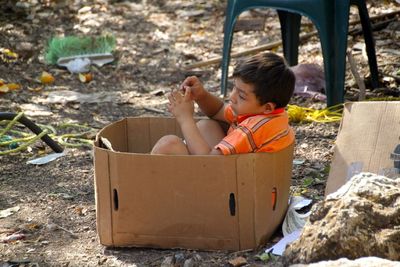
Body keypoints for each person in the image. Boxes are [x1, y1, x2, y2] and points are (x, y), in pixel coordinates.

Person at [151, 52, 295, 155]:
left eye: (242, 95)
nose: (232, 97)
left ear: (268, 107)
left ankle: (141, 187)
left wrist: (185, 118)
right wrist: (202, 96)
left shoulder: (253, 129)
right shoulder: (263, 113)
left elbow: (209, 163)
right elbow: (218, 110)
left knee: (169, 145)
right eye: (234, 88)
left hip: (231, 186)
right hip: (233, 174)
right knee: (207, 125)